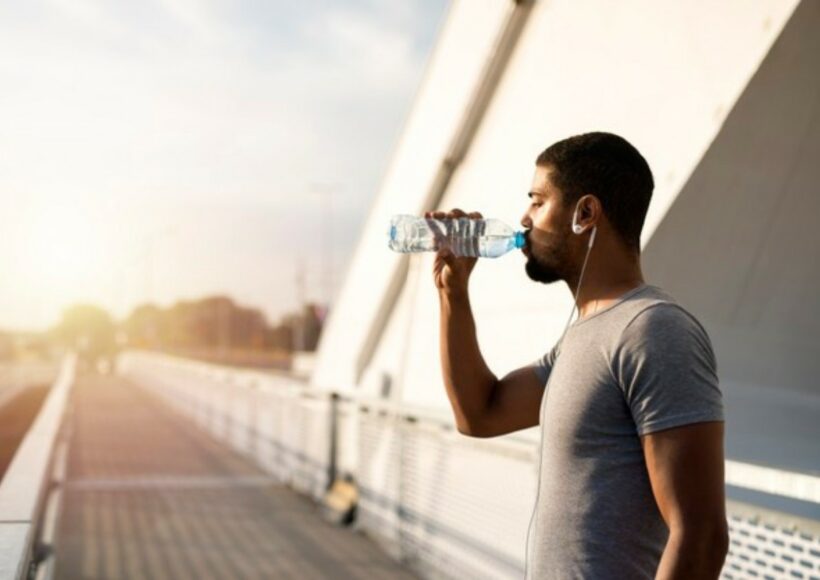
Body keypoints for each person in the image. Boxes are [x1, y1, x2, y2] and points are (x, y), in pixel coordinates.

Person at [427, 132, 728, 579]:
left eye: (537, 200)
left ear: (584, 213)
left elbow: (700, 536)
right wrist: (453, 291)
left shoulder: (654, 330)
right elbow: (480, 414)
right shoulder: (580, 338)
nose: (523, 219)